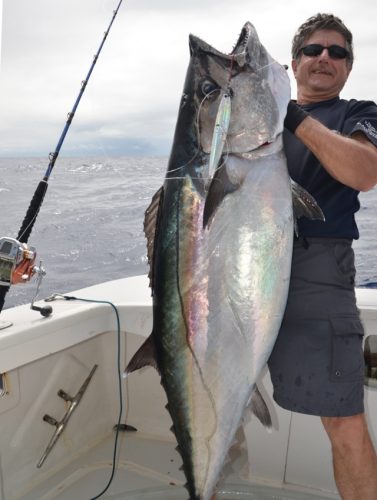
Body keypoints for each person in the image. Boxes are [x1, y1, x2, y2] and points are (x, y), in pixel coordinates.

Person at [267, 13, 377, 500]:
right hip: (244, 268)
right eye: (313, 50)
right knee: (215, 393)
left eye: (337, 52)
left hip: (318, 274)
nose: (325, 58)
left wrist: (292, 117)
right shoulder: (260, 120)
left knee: (344, 418)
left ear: (349, 68)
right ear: (294, 63)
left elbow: (364, 171)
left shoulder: (359, 114)